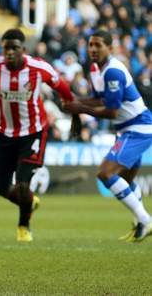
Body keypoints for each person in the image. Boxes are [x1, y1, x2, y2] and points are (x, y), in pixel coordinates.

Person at [0, 29, 75, 242]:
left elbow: (62, 87)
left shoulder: (39, 67)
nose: (9, 52)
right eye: (6, 47)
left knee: (23, 183)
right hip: (3, 133)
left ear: (23, 50)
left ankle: (23, 227)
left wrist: (75, 113)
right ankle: (29, 201)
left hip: (33, 132)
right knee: (1, 188)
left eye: (15, 48)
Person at [63, 29, 152, 242]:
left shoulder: (113, 71)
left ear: (110, 49)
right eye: (90, 45)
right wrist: (76, 102)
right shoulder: (95, 69)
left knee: (105, 173)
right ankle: (140, 224)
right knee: (125, 179)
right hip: (127, 128)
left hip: (137, 128)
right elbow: (98, 99)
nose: (93, 49)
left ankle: (145, 219)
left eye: (98, 45)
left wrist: (80, 108)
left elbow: (111, 110)